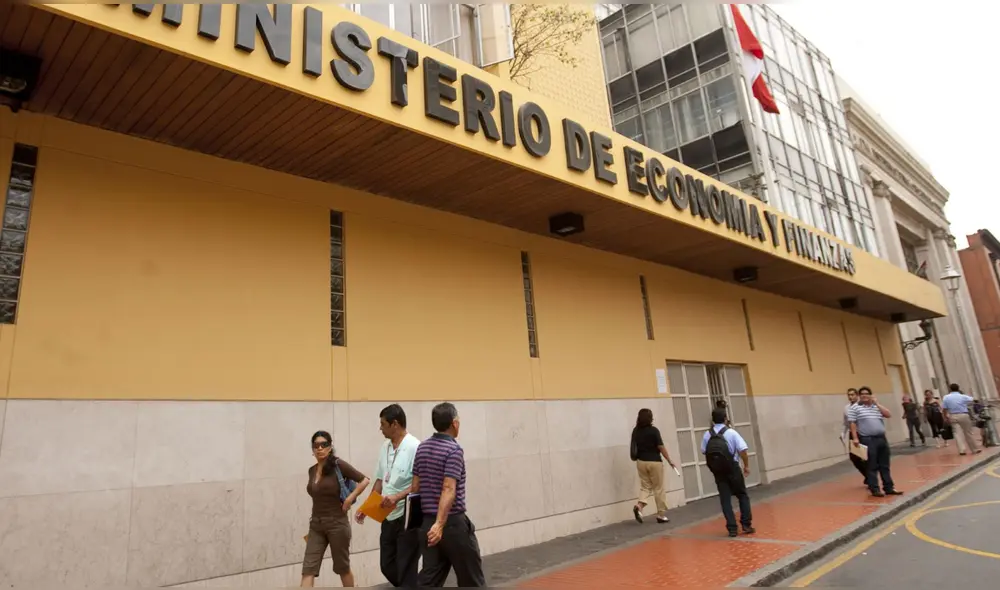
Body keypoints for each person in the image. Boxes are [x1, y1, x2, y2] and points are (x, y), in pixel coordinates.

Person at [412, 403, 486, 587]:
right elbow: (448, 488)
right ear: (454, 424)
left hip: (428, 524)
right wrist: (440, 524)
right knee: (471, 580)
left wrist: (428, 524)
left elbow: (415, 488)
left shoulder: (421, 448)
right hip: (451, 524)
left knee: (429, 580)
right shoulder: (453, 450)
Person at [355, 404, 421, 587]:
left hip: (407, 516)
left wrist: (397, 497)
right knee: (387, 565)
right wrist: (366, 507)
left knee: (407, 566)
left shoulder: (415, 447)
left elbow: (420, 485)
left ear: (395, 424)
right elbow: (379, 481)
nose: (380, 428)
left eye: (383, 424)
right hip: (387, 515)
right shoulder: (385, 447)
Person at [301, 431, 370, 588]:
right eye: (316, 445)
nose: (319, 448)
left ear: (330, 447)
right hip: (316, 525)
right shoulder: (311, 471)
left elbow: (364, 480)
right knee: (308, 569)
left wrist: (350, 499)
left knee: (342, 568)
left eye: (323, 444)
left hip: (337, 524)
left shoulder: (338, 465)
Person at [701, 408, 754, 538]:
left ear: (713, 420)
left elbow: (704, 451)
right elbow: (743, 450)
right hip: (733, 468)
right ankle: (746, 525)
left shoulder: (707, 435)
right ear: (725, 418)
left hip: (718, 471)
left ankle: (732, 529)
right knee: (742, 495)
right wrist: (746, 466)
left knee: (725, 499)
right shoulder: (731, 433)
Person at [848, 387, 901, 498]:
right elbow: (852, 423)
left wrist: (877, 404)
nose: (864, 395)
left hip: (881, 438)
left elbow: (888, 414)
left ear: (871, 395)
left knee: (884, 465)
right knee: (871, 465)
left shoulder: (875, 407)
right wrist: (855, 438)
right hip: (868, 439)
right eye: (862, 394)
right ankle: (875, 489)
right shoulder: (855, 408)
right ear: (859, 396)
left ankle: (889, 487)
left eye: (867, 394)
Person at [630, 408, 677, 524]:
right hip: (655, 462)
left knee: (645, 486)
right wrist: (669, 460)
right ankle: (661, 515)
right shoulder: (654, 431)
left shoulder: (636, 431)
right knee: (658, 488)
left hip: (641, 462)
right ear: (650, 418)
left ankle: (639, 506)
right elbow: (661, 447)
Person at [942, 383, 981, 455]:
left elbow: (944, 408)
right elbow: (973, 399)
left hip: (952, 415)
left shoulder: (946, 397)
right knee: (968, 432)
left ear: (950, 389)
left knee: (957, 433)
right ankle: (974, 449)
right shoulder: (962, 396)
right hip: (963, 414)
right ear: (958, 388)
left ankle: (962, 450)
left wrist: (945, 417)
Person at [841, 388, 868, 484]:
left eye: (852, 395)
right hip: (852, 433)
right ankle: (867, 475)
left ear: (857, 395)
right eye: (849, 395)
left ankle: (871, 478)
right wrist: (843, 433)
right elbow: (845, 422)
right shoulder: (846, 408)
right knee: (854, 457)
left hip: (863, 432)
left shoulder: (862, 405)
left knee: (865, 456)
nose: (850, 397)